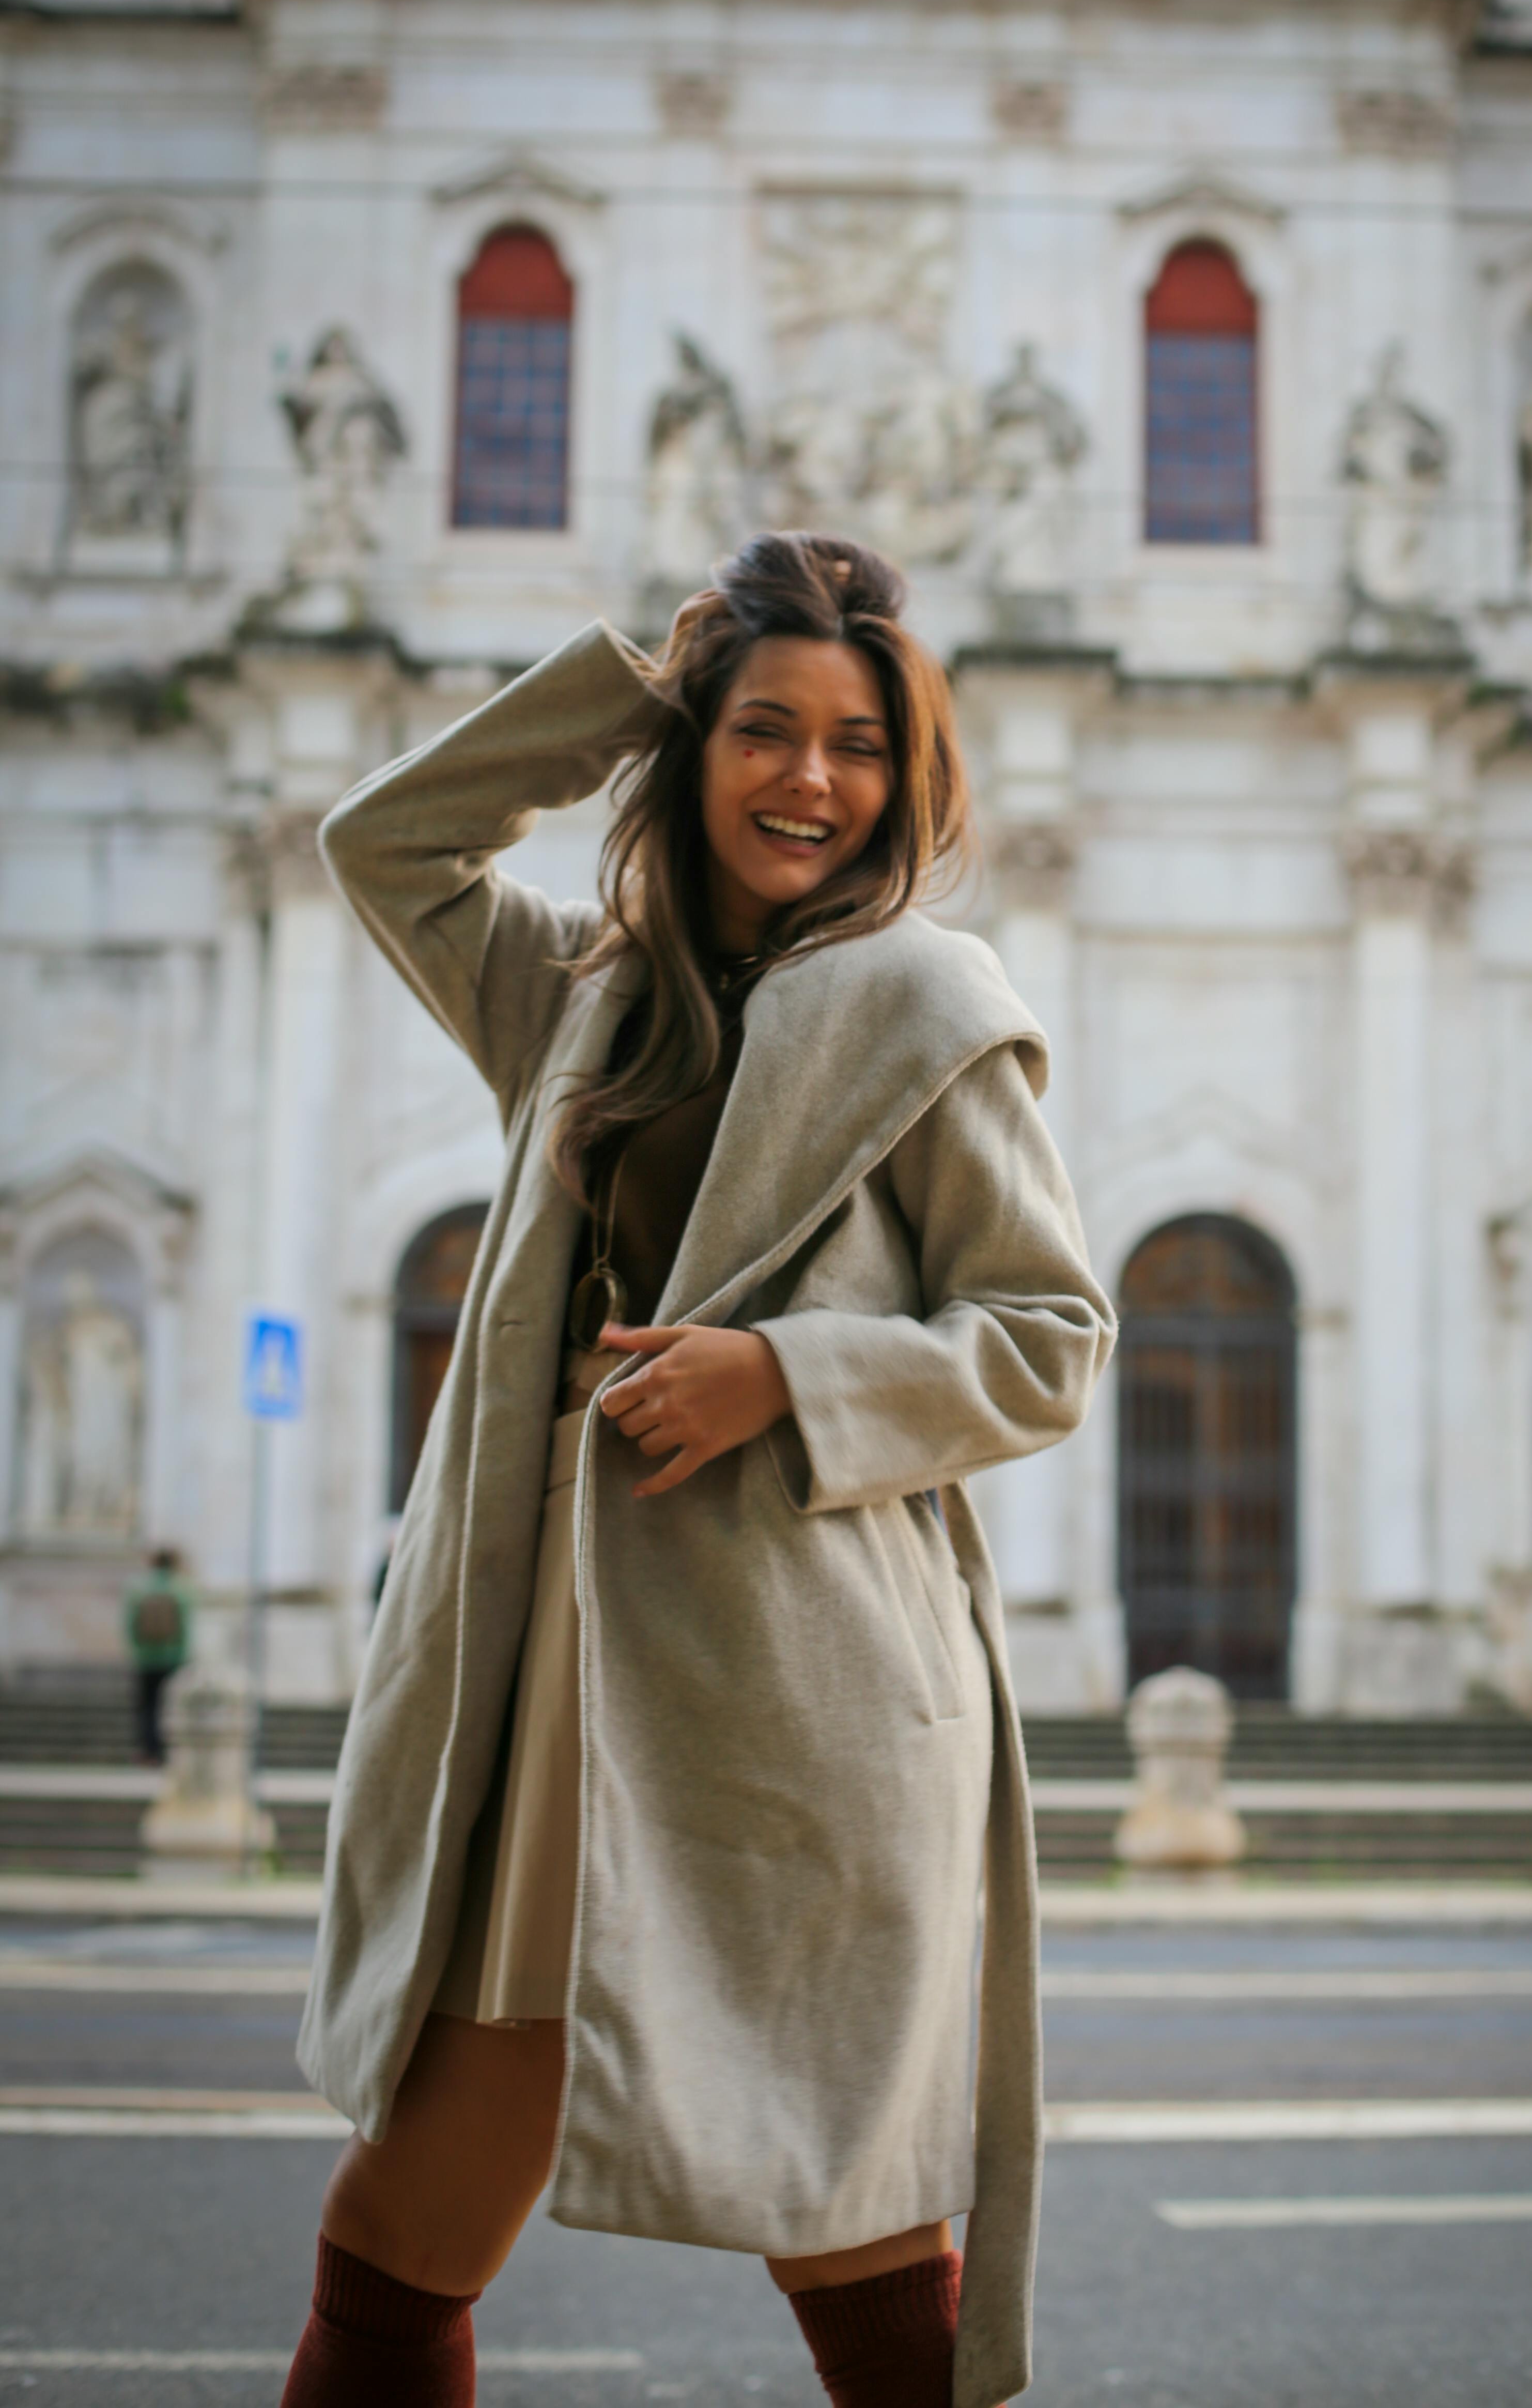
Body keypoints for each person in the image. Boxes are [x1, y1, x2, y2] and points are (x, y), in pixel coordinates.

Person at [282, 532, 1114, 2408]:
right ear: (691, 744)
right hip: (548, 1687)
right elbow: (385, 847)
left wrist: (785, 1376)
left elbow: (1048, 1339)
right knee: (401, 2230)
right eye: (759, 729)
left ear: (909, 776)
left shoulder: (930, 1007)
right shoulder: (579, 995)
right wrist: (619, 691)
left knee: (853, 2241)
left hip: (782, 1696)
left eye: (856, 743)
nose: (808, 781)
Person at [123, 1547, 193, 1762]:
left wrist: (136, 1649)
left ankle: (148, 1750)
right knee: (171, 1706)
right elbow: (185, 1626)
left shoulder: (140, 1588)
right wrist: (183, 1654)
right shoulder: (181, 1588)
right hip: (173, 1657)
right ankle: (169, 1750)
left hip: (146, 1658)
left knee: (147, 1706)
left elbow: (130, 1624)